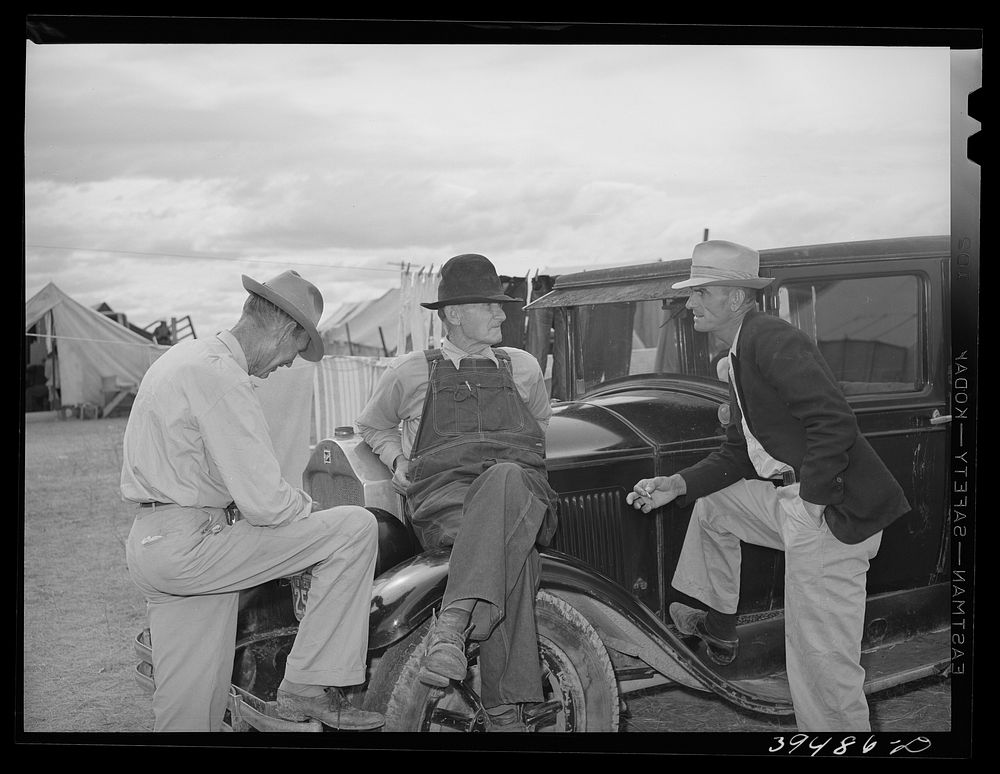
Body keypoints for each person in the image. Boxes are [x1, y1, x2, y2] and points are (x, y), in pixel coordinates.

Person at [626, 240, 910, 732]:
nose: (688, 303)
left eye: (700, 292)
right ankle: (715, 620)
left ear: (735, 298)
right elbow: (739, 454)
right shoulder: (737, 355)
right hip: (794, 500)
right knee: (712, 505)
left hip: (832, 514)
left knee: (820, 661)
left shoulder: (771, 338)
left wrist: (810, 504)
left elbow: (834, 422)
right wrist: (676, 483)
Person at [122, 269, 384, 732]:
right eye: (295, 351)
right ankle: (307, 685)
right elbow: (265, 502)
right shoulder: (222, 378)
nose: (286, 365)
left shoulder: (184, 358)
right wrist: (315, 515)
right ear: (286, 329)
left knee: (188, 712)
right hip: (192, 545)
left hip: (154, 543)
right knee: (354, 529)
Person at [357, 253, 558, 732]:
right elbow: (372, 424)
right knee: (514, 554)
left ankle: (453, 626)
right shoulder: (410, 372)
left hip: (521, 492)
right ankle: (507, 711)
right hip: (446, 503)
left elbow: (541, 427)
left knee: (507, 478)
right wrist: (397, 459)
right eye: (489, 306)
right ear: (452, 313)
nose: (502, 314)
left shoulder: (524, 368)